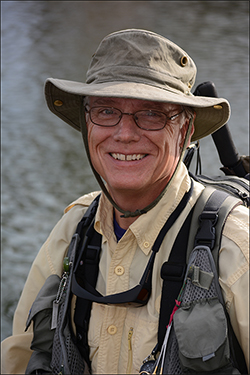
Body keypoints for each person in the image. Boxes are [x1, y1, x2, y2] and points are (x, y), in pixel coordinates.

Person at [1, 29, 249, 374]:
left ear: (186, 130)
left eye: (151, 114)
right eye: (106, 111)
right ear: (87, 123)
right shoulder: (72, 229)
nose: (125, 133)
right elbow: (17, 359)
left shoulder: (235, 245)